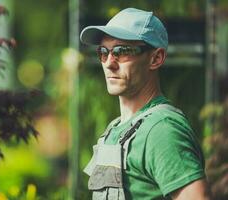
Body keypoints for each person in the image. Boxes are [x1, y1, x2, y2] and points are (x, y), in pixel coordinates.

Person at [80, 8, 210, 200]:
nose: (109, 62)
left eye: (121, 51)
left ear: (156, 58)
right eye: (103, 52)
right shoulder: (116, 128)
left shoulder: (161, 130)